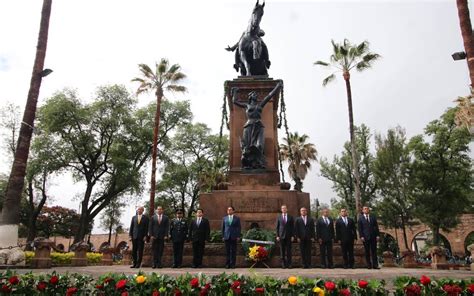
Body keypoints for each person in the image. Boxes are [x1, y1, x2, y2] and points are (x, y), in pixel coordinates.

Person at [231, 81, 282, 169]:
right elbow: (235, 101)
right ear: (250, 97)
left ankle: (258, 163)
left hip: (259, 126)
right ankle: (247, 164)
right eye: (253, 94)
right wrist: (235, 91)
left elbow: (269, 96)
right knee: (247, 147)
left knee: (259, 145)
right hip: (248, 126)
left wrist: (277, 87)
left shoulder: (260, 105)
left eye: (256, 94)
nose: (256, 95)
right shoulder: (246, 106)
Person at [276, 204, 294, 268]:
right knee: (282, 251)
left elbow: (292, 227)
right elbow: (277, 227)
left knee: (289, 251)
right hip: (281, 236)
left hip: (289, 236)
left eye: (285, 208)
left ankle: (289, 264)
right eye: (283, 208)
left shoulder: (290, 217)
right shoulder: (279, 217)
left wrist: (292, 236)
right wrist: (277, 236)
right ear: (281, 210)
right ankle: (283, 264)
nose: (284, 209)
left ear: (287, 209)